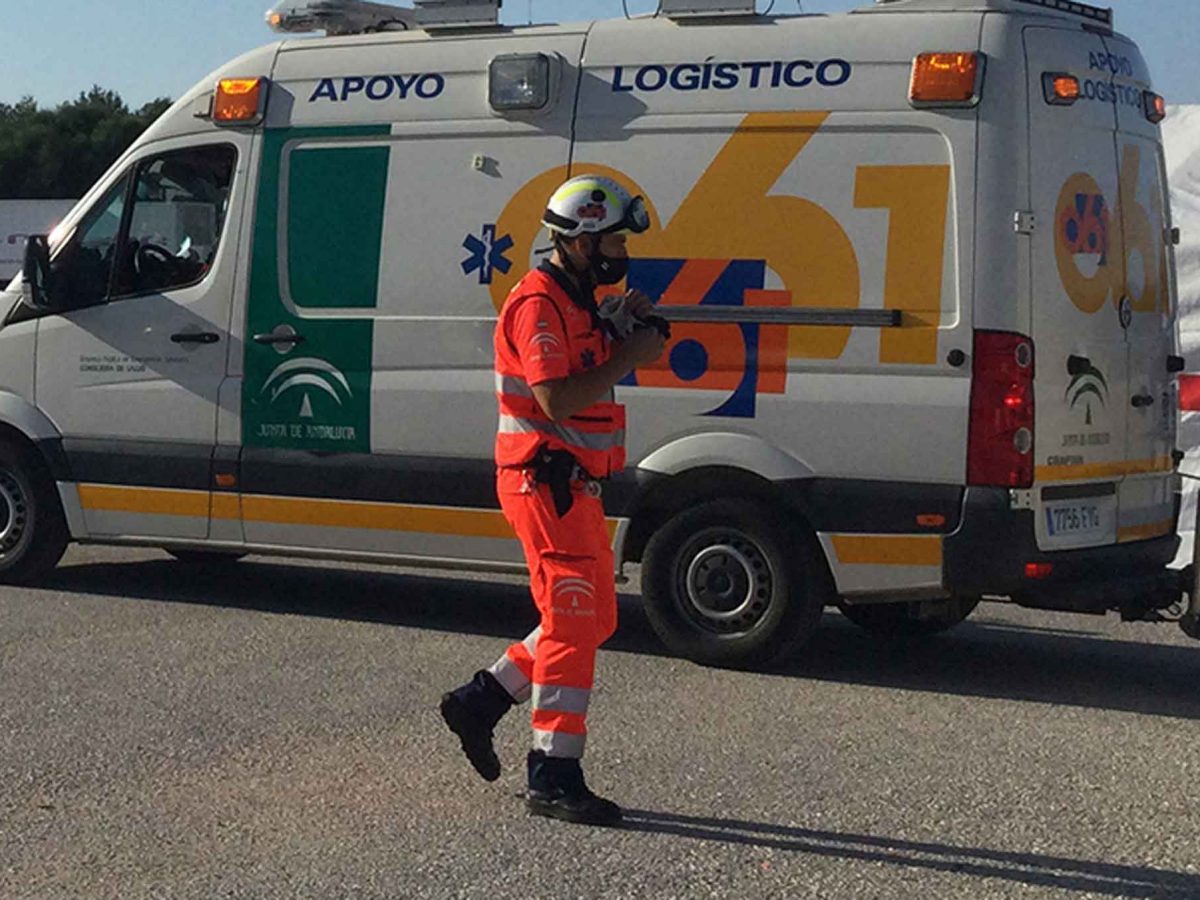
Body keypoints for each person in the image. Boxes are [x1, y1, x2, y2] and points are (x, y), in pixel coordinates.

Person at [440, 175, 667, 827]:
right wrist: (631, 354)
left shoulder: (576, 300)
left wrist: (622, 327)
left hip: (571, 484)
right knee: (572, 623)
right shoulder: (538, 303)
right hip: (544, 482)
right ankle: (552, 774)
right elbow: (557, 399)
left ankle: (480, 701)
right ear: (580, 241)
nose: (621, 252)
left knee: (594, 621)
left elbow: (581, 365)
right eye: (613, 240)